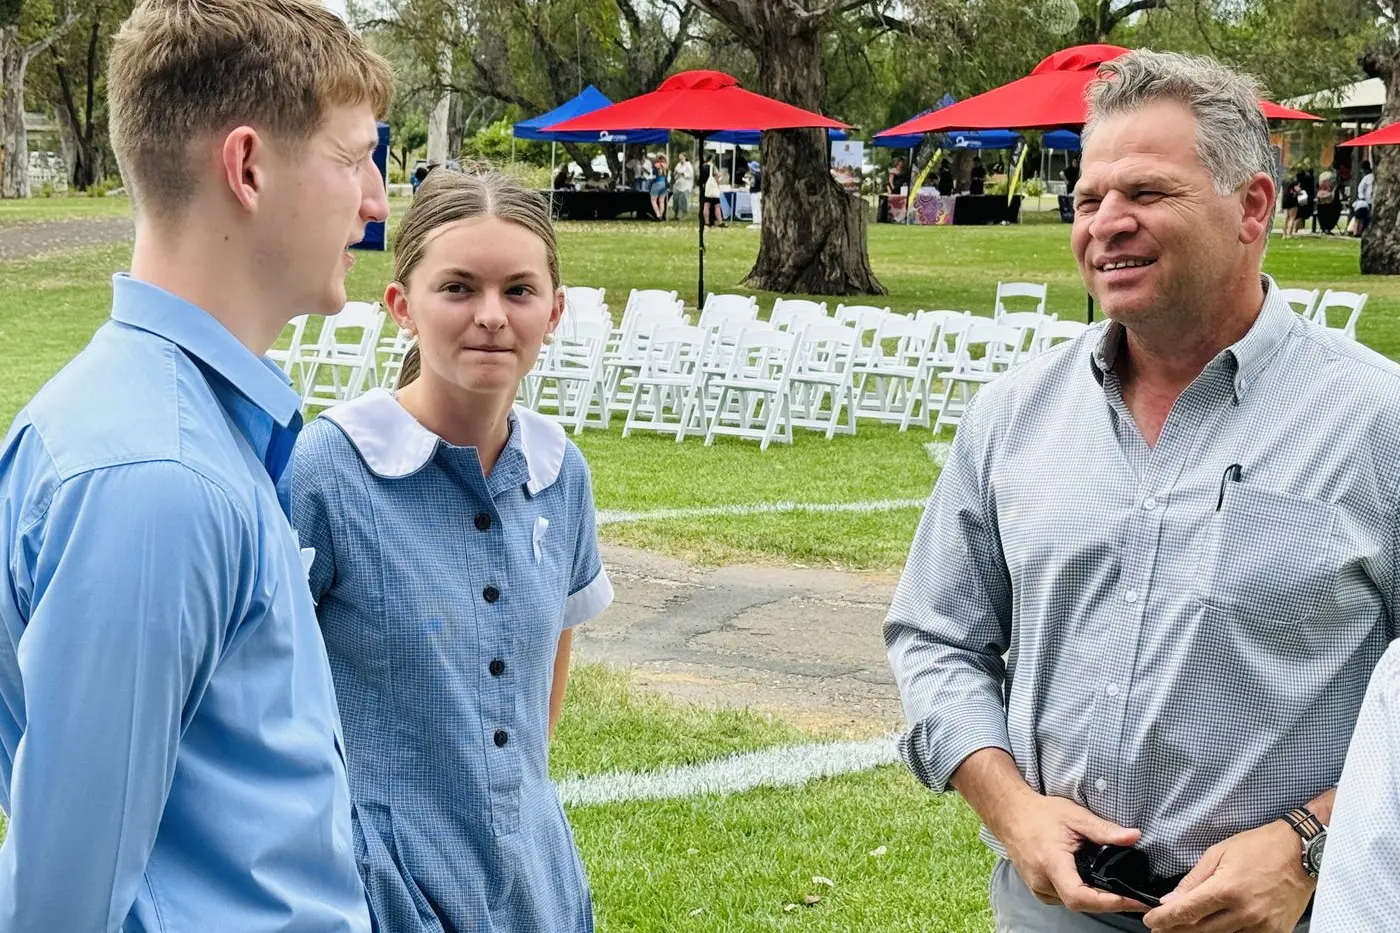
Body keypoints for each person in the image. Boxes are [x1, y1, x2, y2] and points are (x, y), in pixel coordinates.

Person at [886, 49, 1400, 933]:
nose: (1106, 224)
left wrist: (1311, 837)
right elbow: (934, 637)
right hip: (1056, 912)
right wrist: (1012, 809)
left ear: (1251, 207)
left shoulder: (1375, 421)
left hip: (1296, 914)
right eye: (1089, 200)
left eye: (1147, 194)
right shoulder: (1015, 416)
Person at [0, 1, 393, 930]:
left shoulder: (168, 426)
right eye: (353, 158)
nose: (376, 201)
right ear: (248, 166)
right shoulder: (155, 474)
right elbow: (66, 902)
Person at [291, 169, 612, 933]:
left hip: (533, 878)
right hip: (375, 885)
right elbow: (266, 684)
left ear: (555, 310)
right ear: (403, 305)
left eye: (520, 291)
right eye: (459, 288)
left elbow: (538, 707)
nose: (492, 316)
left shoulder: (560, 474)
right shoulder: (329, 468)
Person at [1316, 163, 1341, 235]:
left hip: (1323, 202)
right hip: (1329, 202)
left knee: (1324, 213)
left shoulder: (1323, 177)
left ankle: (1324, 228)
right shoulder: (1330, 178)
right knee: (1331, 213)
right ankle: (1327, 228)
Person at [1350, 160, 1373, 236]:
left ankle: (1359, 232)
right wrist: (1362, 197)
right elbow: (1360, 188)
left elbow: (1360, 188)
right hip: (1366, 201)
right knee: (1363, 218)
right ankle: (1358, 232)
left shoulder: (1367, 177)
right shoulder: (1367, 177)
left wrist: (1361, 197)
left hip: (1368, 201)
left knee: (1362, 218)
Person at [701, 152, 725, 228]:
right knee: (717, 206)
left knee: (706, 205)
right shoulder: (713, 167)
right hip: (713, 189)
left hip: (706, 188)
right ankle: (720, 222)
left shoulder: (702, 167)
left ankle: (707, 222)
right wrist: (721, 176)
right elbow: (717, 179)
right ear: (712, 159)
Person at [672, 151, 694, 218]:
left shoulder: (688, 164)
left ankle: (684, 214)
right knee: (675, 199)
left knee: (683, 199)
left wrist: (681, 173)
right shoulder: (678, 164)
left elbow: (690, 175)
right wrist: (675, 173)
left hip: (686, 185)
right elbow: (675, 173)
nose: (680, 158)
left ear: (685, 157)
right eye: (680, 157)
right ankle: (675, 215)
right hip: (678, 184)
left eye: (682, 157)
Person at [649, 154, 669, 219]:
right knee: (662, 201)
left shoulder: (656, 166)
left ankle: (658, 215)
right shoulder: (666, 166)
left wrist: (650, 184)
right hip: (664, 184)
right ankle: (661, 214)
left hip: (657, 183)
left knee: (653, 200)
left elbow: (654, 176)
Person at [1282, 173, 1300, 237]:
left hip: (1285, 199)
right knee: (1292, 218)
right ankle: (1289, 234)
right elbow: (1298, 190)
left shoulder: (1284, 180)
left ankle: (1284, 234)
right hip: (1293, 200)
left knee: (1285, 218)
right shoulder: (1295, 181)